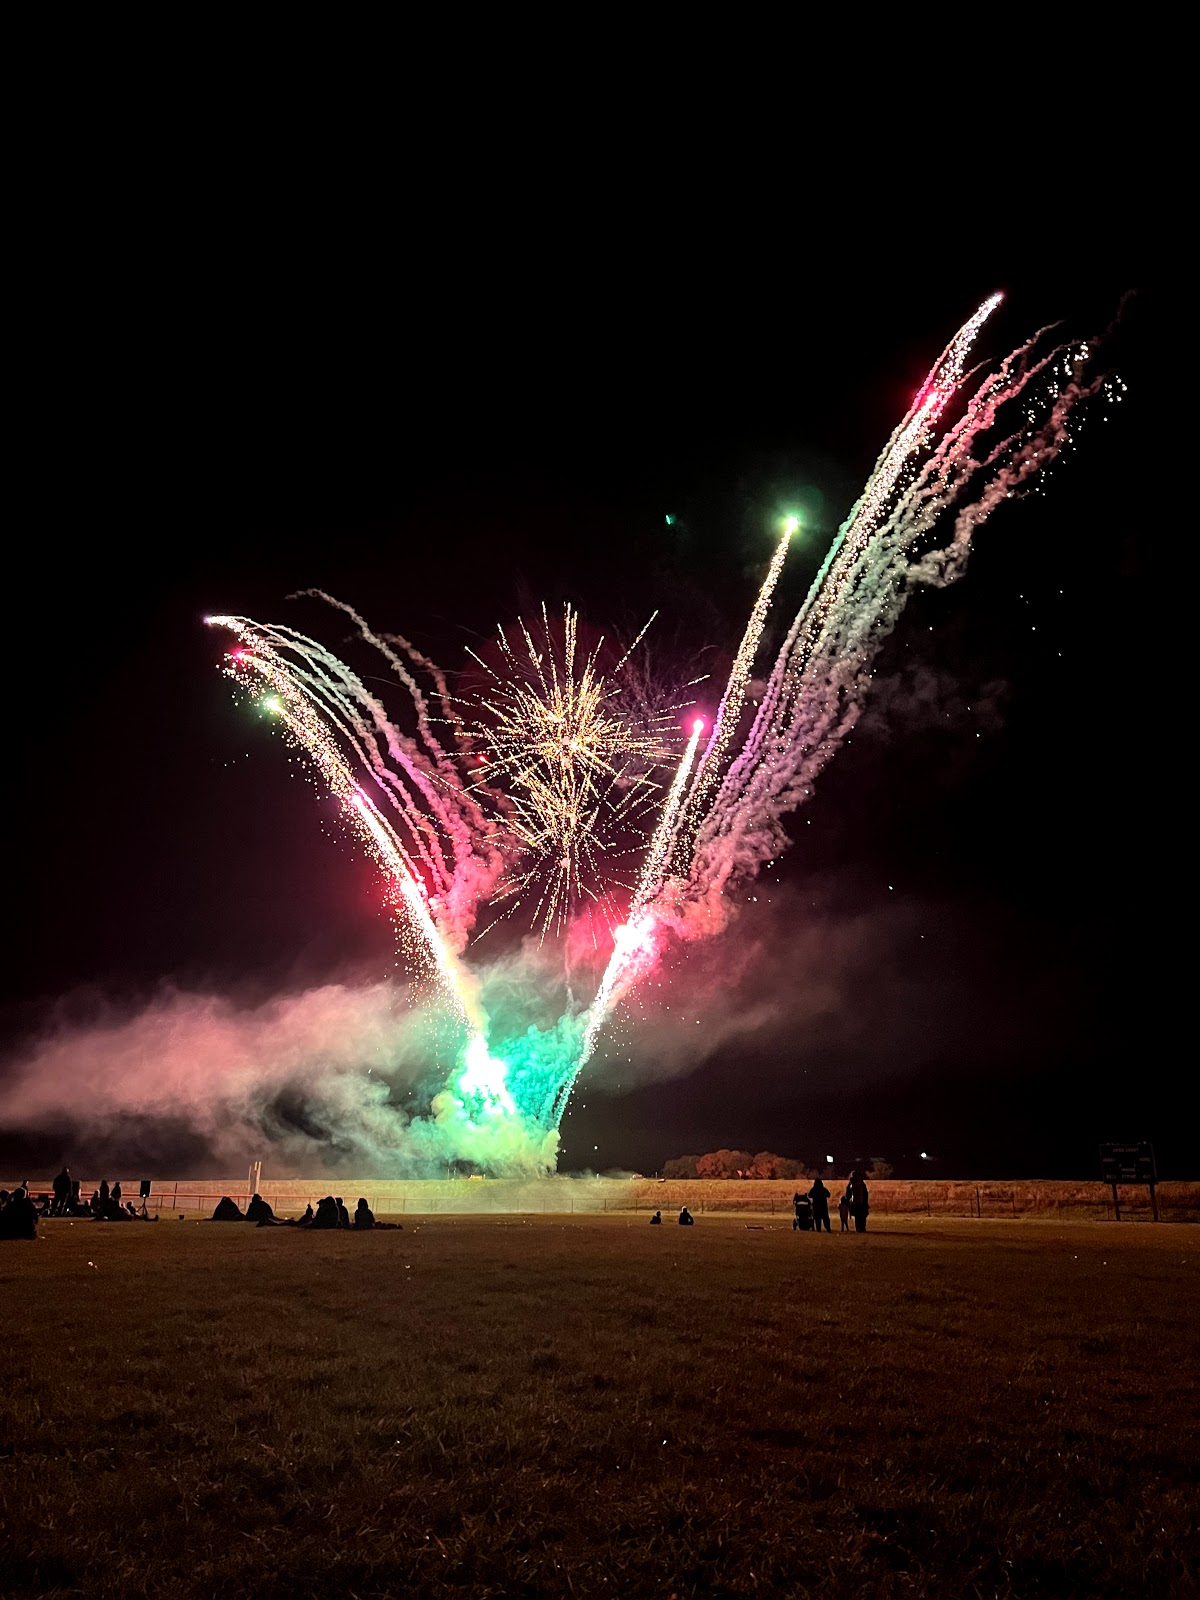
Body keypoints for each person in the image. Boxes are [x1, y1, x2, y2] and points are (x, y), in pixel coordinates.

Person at [848, 1169, 870, 1233]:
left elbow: (849, 1193)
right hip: (861, 1202)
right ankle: (862, 1228)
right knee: (862, 1216)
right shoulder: (861, 1183)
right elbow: (865, 1193)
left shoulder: (851, 1183)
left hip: (855, 1202)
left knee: (857, 1216)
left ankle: (858, 1228)